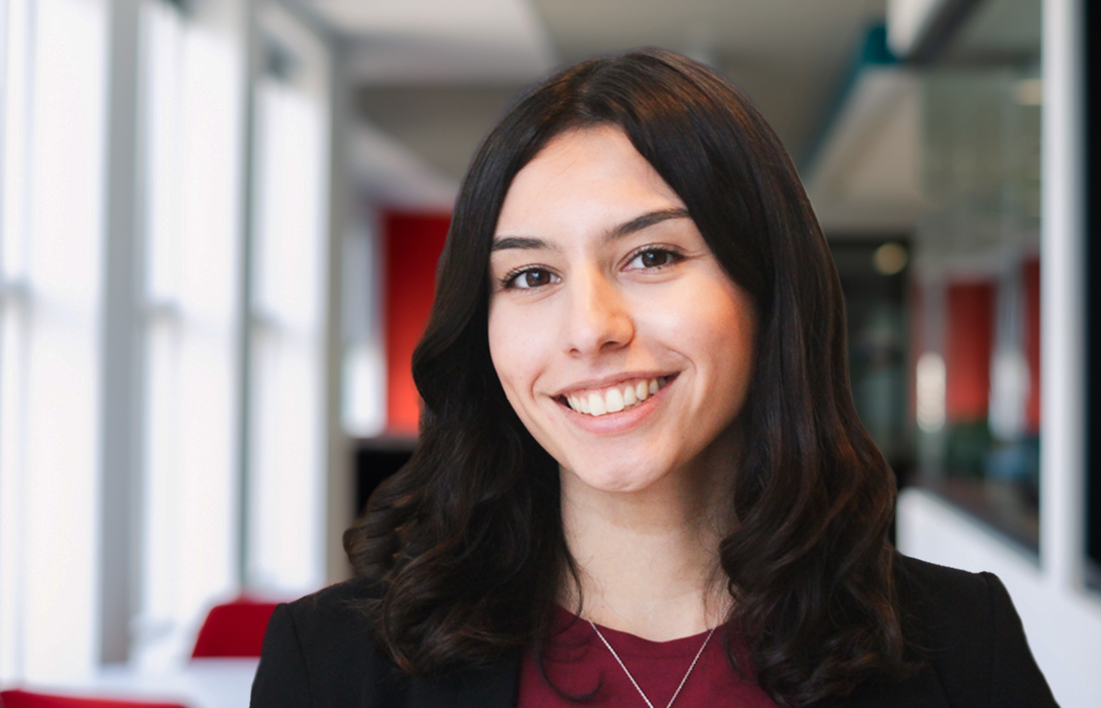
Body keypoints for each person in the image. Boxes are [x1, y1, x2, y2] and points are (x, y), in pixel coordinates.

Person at [250, 48, 1058, 708]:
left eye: (652, 256)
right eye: (531, 275)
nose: (591, 328)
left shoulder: (959, 645)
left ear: (765, 289)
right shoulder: (332, 665)